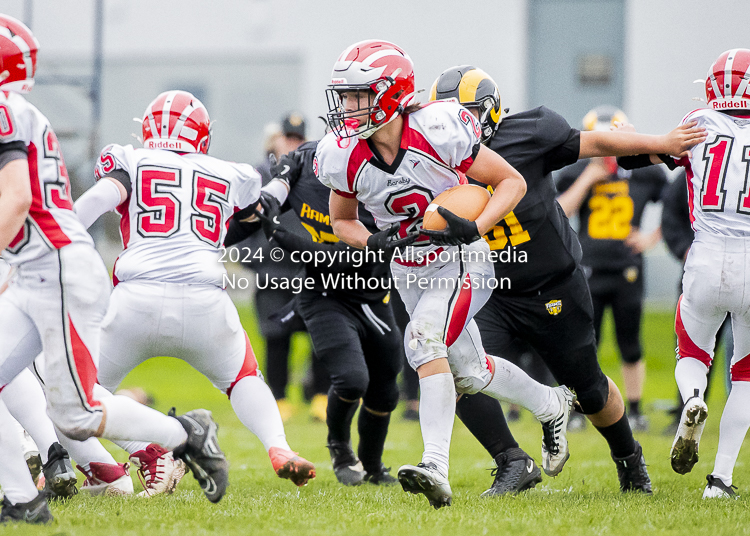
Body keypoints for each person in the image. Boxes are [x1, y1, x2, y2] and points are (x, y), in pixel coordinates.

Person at [316, 40, 578, 509]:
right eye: (346, 97)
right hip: (407, 266)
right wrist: (372, 240)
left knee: (423, 342)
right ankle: (551, 404)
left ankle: (435, 464)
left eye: (359, 96)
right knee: (470, 373)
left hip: (461, 258)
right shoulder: (342, 154)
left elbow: (511, 182)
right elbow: (342, 221)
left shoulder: (438, 129)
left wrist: (476, 225)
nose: (348, 109)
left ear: (391, 94)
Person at [429, 64, 705, 494]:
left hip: (552, 285)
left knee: (589, 389)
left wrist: (660, 143)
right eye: (443, 118)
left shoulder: (530, 133)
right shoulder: (432, 157)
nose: (452, 128)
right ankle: (511, 462)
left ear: (488, 113)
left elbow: (597, 142)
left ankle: (629, 459)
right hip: (491, 290)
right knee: (458, 369)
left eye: (461, 116)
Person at [0, 16, 229, 524]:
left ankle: (181, 436)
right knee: (46, 398)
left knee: (75, 413)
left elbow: (16, 197)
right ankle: (22, 499)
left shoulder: (7, 112)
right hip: (40, 263)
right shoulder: (19, 110)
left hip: (51, 268)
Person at [72, 90, 316, 491]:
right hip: (205, 298)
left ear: (149, 130)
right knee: (243, 379)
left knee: (77, 394)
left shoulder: (131, 159)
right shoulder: (230, 172)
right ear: (201, 136)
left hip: (137, 297)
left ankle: (145, 449)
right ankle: (279, 445)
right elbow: (257, 214)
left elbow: (97, 200)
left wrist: (54, 240)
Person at [227, 137, 405, 486]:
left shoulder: (379, 182)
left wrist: (281, 237)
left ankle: (373, 464)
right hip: (323, 295)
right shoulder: (306, 164)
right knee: (353, 379)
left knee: (386, 389)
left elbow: (346, 257)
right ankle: (340, 447)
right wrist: (210, 236)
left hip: (370, 293)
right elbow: (255, 214)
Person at [624, 49, 750, 499]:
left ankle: (693, 398)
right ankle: (720, 481)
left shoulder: (702, 120)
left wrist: (631, 138)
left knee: (692, 353)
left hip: (706, 254)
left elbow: (641, 159)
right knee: (747, 376)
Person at [555, 106, 669, 432]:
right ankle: (580, 408)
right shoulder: (576, 172)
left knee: (630, 342)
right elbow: (558, 211)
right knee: (584, 342)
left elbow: (681, 201)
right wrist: (590, 176)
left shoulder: (645, 170)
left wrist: (652, 237)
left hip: (627, 269)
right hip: (587, 267)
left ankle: (634, 409)